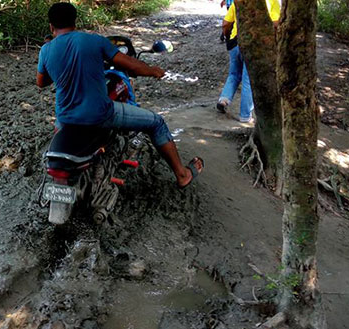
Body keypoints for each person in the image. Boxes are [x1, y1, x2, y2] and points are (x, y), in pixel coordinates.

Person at [36, 2, 203, 188]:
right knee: (156, 122)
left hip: (65, 118)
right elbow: (129, 64)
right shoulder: (94, 41)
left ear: (51, 26)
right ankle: (182, 175)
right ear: (75, 21)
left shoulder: (46, 50)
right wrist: (152, 71)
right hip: (101, 114)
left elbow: (41, 82)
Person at [216, 0, 280, 123]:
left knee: (233, 74)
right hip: (255, 45)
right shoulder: (272, 1)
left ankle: (223, 100)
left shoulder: (240, 1)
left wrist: (227, 36)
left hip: (235, 42)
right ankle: (245, 116)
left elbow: (225, 23)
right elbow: (276, 23)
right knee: (248, 80)